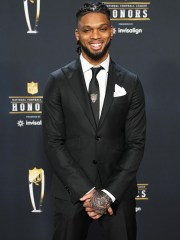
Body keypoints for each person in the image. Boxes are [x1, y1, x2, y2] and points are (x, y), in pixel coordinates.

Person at [42, 2, 146, 240]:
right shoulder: (57, 81)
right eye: (87, 30)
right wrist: (88, 193)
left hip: (117, 194)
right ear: (77, 35)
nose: (95, 36)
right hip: (72, 194)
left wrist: (107, 195)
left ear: (112, 31)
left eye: (102, 28)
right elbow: (53, 142)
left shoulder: (131, 82)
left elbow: (136, 144)